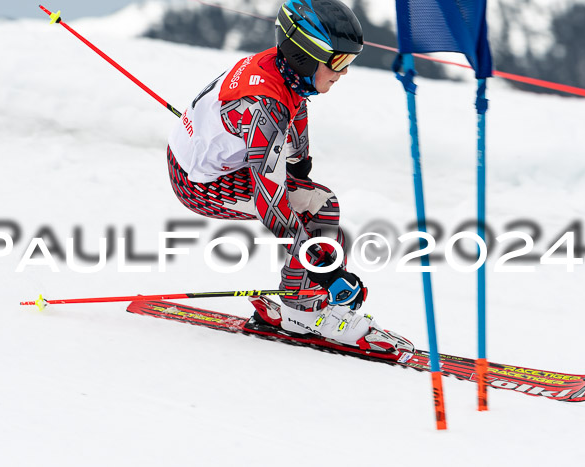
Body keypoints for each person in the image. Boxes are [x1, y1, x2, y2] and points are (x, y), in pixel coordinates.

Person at [167, 0, 412, 354]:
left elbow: (295, 109)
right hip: (198, 184)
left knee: (322, 204)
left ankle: (303, 303)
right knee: (308, 217)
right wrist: (325, 272)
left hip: (215, 160)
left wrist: (299, 167)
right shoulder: (264, 107)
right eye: (339, 62)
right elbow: (271, 207)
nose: (343, 73)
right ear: (305, 55)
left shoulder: (282, 69)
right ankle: (304, 311)